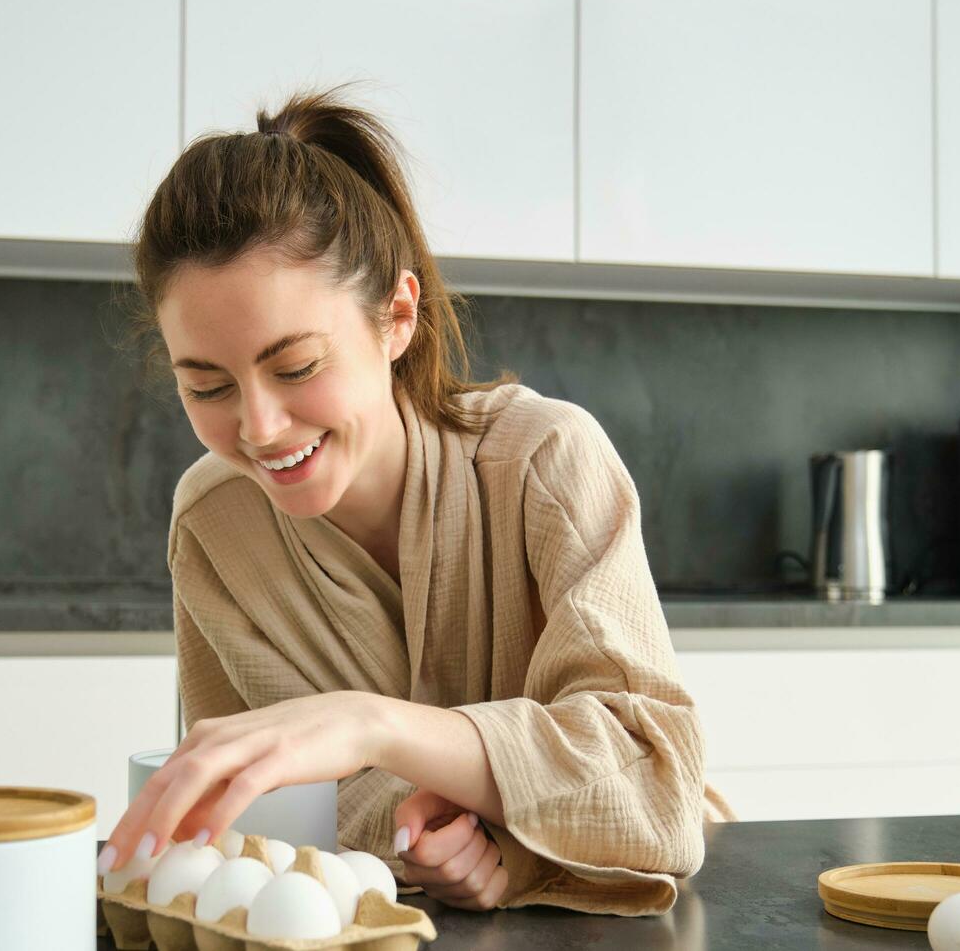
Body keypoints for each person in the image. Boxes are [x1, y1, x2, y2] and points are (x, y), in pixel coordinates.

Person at [96, 85, 724, 916]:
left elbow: (657, 791)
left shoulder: (545, 462)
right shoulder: (215, 527)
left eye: (295, 369)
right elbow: (250, 819)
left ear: (396, 317)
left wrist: (371, 728)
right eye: (207, 385)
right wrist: (439, 832)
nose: (259, 427)